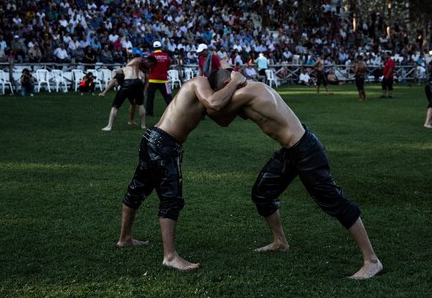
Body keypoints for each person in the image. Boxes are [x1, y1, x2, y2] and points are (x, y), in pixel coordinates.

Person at [206, 69, 383, 279]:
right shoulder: (249, 90)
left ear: (227, 83)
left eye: (221, 89)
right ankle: (280, 242)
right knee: (263, 192)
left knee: (334, 201)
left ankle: (372, 261)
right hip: (291, 151)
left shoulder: (246, 92)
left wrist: (228, 84)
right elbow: (223, 119)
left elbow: (216, 106)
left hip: (306, 150)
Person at [115, 70, 247, 271]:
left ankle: (125, 238)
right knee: (171, 199)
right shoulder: (200, 82)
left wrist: (238, 100)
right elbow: (215, 103)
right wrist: (237, 82)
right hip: (163, 144)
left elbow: (223, 120)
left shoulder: (206, 94)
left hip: (155, 140)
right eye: (232, 86)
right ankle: (169, 257)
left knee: (137, 188)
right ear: (226, 82)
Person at [102, 57, 155, 131]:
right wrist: (144, 92)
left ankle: (109, 126)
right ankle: (143, 125)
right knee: (140, 104)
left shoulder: (125, 68)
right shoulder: (142, 71)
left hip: (128, 82)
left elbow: (114, 71)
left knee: (115, 106)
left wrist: (113, 77)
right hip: (139, 83)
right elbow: (147, 81)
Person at [146, 41, 173, 117]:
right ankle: (172, 111)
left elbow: (148, 66)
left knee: (150, 97)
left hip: (153, 80)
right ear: (161, 47)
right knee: (168, 97)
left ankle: (149, 113)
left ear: (154, 48)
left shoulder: (151, 55)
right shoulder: (166, 55)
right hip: (164, 80)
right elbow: (168, 65)